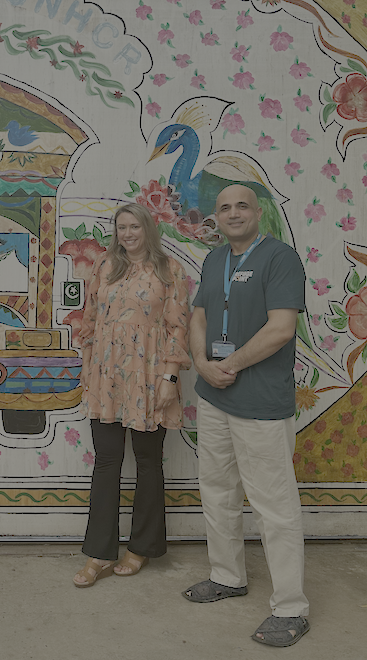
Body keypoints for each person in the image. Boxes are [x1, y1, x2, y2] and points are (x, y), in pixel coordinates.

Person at [183, 184, 309, 647]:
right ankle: (227, 576)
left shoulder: (280, 258)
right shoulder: (215, 259)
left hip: (259, 404)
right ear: (215, 219)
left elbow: (281, 328)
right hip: (215, 398)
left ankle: (292, 608)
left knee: (273, 506)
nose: (233, 213)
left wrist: (228, 366)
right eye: (224, 208)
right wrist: (201, 364)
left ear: (258, 213)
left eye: (242, 206)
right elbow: (198, 316)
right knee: (217, 491)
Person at [73, 202, 190, 587]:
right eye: (121, 227)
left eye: (134, 226)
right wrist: (89, 371)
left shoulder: (169, 271)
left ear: (147, 230)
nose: (127, 234)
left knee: (147, 462)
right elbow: (89, 323)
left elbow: (177, 328)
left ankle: (141, 548)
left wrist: (170, 379)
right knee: (106, 462)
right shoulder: (104, 267)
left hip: (150, 376)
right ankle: (98, 553)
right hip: (107, 378)